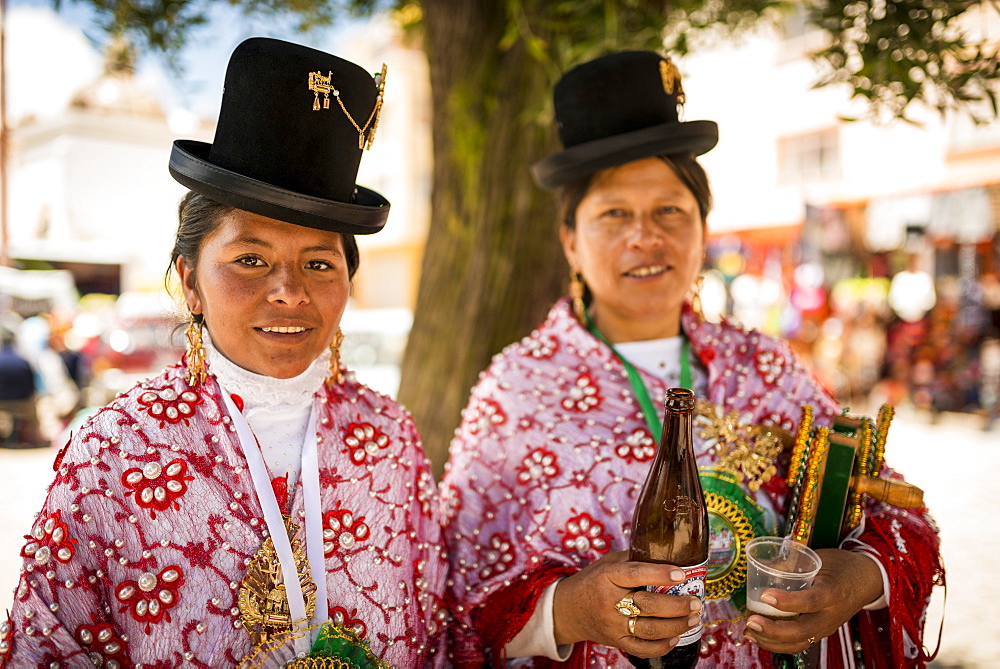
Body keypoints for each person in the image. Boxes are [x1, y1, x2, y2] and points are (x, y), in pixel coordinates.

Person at [441, 51, 942, 667]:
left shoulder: (767, 369)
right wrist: (572, 609)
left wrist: (855, 579)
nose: (644, 237)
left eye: (669, 211)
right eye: (614, 214)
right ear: (571, 241)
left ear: (703, 229)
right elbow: (460, 601)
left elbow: (899, 514)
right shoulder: (514, 390)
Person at [1, 38, 447, 668]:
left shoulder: (390, 437)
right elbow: (47, 649)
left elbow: (438, 636)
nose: (289, 292)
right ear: (190, 282)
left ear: (348, 281)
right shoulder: (114, 451)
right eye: (249, 259)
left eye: (318, 262)